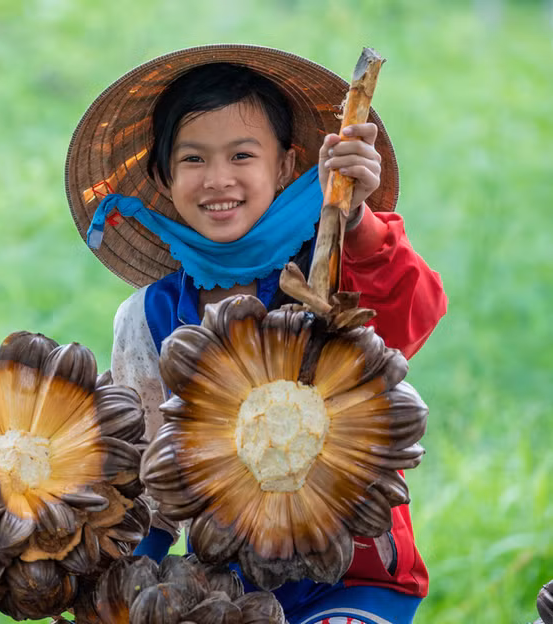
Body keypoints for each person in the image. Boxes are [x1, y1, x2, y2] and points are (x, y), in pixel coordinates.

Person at [65, 46, 447, 624]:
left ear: (286, 165)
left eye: (242, 155)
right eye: (193, 159)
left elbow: (413, 313)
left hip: (352, 577)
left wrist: (360, 222)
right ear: (164, 178)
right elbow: (148, 475)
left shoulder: (330, 270)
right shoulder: (145, 319)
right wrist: (119, 587)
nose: (218, 179)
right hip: (222, 588)